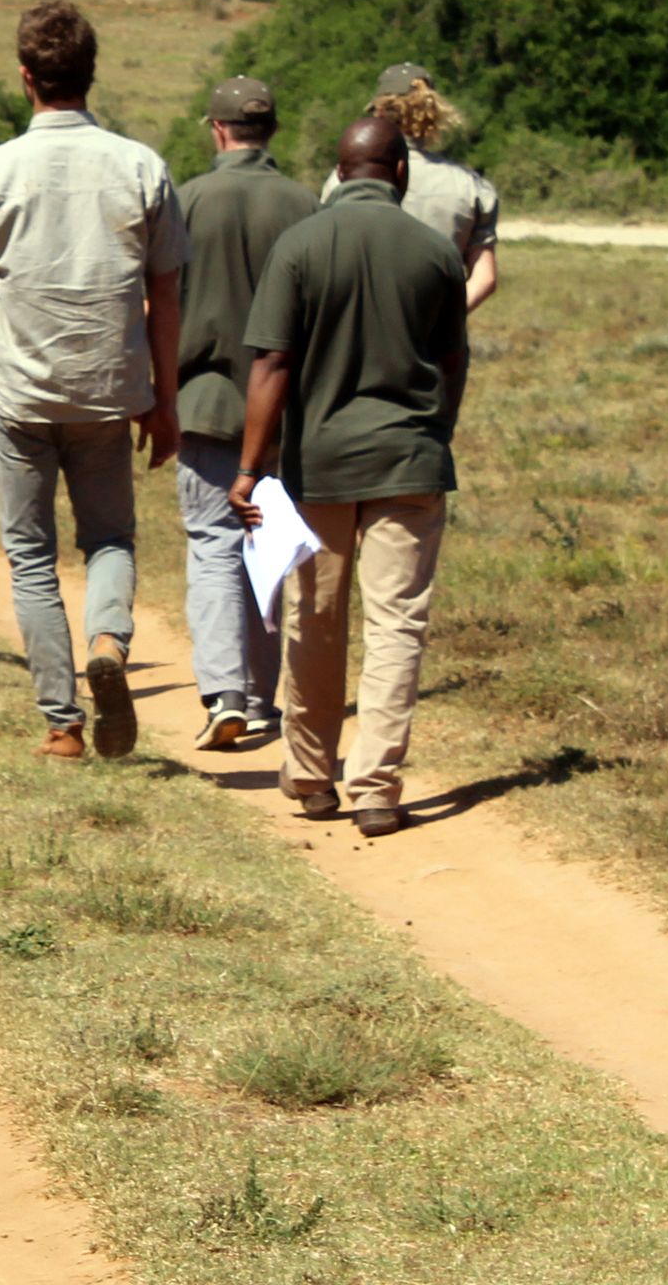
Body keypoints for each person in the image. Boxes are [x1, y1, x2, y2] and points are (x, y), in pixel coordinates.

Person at [0, 1, 189, 761]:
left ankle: (62, 722)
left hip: (20, 393)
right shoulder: (142, 166)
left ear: (25, 79)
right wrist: (165, 399)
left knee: (33, 553)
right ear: (90, 72)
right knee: (110, 538)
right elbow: (167, 292)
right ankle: (108, 639)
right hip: (110, 390)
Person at [231, 116, 473, 839]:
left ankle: (310, 774)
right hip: (409, 460)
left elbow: (271, 363)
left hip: (319, 465)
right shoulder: (436, 254)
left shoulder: (300, 245)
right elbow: (453, 361)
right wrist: (436, 432)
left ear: (339, 172)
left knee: (315, 617)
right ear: (401, 172)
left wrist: (249, 468)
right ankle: (376, 786)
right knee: (398, 621)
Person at [171, 76, 315, 749]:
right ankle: (263, 697)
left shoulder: (188, 200)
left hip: (205, 398)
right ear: (272, 131)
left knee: (213, 544)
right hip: (287, 405)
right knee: (270, 543)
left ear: (217, 130)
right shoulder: (305, 204)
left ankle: (225, 692)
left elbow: (160, 304)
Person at [368, 62, 502, 314]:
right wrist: (445, 324)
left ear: (380, 114)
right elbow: (485, 278)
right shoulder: (470, 187)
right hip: (437, 346)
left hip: (366, 340)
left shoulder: (348, 178)